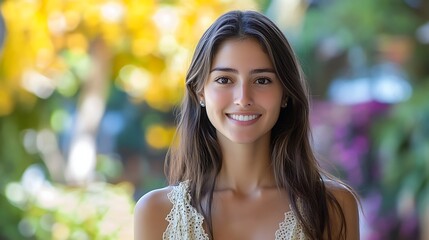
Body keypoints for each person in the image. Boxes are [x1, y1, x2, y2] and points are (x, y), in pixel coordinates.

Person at [134, 10, 360, 240]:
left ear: (285, 94)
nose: (243, 98)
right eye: (224, 80)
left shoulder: (333, 206)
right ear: (200, 92)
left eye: (262, 80)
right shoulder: (156, 212)